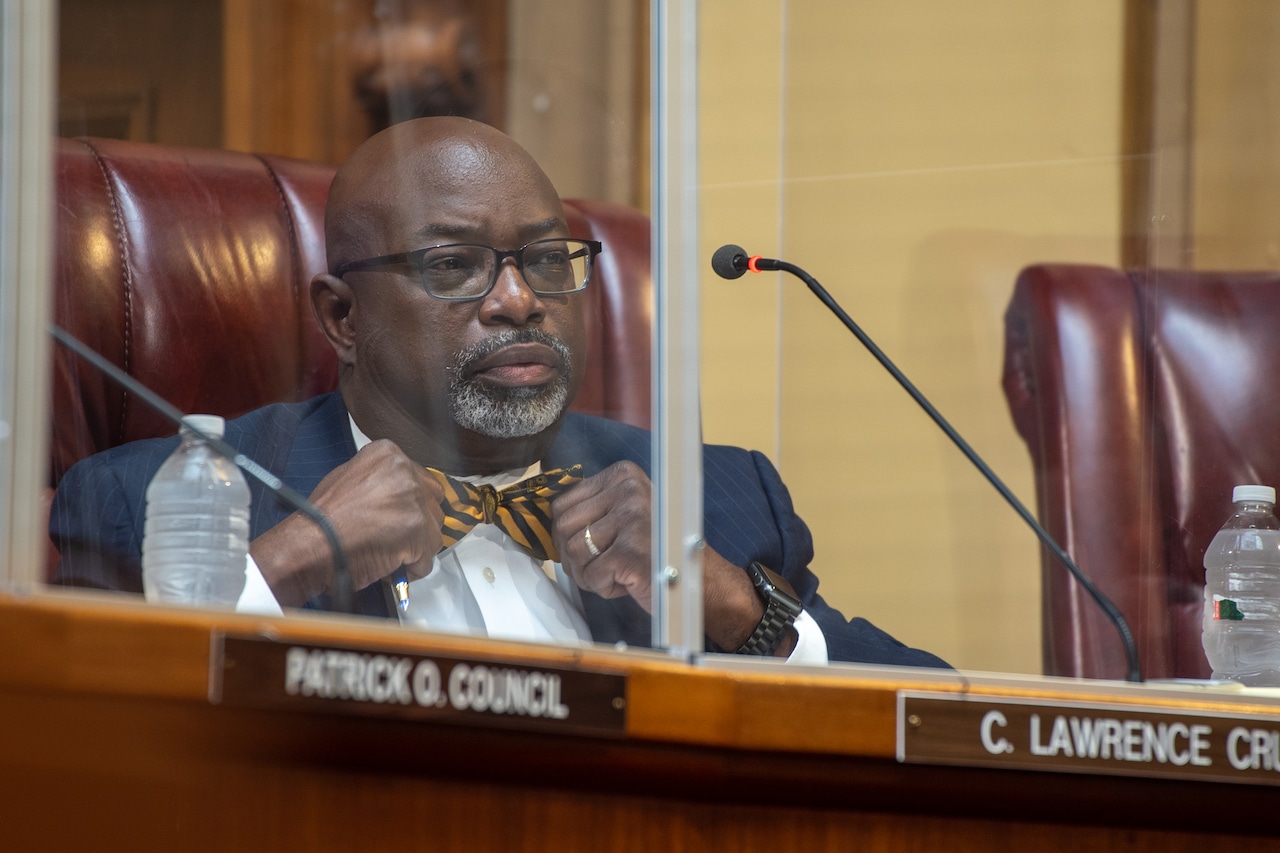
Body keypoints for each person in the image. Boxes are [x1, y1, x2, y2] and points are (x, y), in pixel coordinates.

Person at [50, 116, 946, 669]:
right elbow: (78, 748)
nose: (519, 299)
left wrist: (744, 616)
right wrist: (287, 565)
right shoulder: (143, 504)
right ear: (342, 317)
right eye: (453, 267)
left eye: (548, 261)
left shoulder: (722, 499)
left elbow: (933, 720)